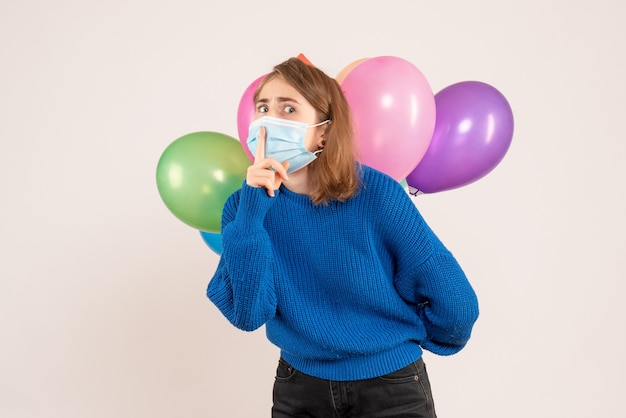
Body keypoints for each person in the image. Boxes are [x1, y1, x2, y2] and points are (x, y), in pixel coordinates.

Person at [207, 57, 479, 418]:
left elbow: (454, 300)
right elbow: (249, 314)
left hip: (391, 387)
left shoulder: (376, 193)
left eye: (288, 108)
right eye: (263, 108)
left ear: (323, 130)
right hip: (299, 388)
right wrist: (254, 212)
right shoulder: (242, 209)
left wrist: (398, 344)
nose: (270, 121)